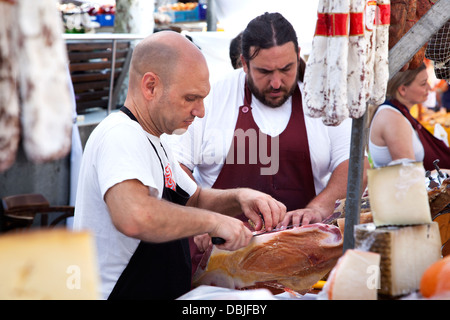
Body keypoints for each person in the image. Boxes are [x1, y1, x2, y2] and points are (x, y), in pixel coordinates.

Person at [73, 31, 287, 300]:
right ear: (150, 86)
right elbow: (134, 215)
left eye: (202, 98)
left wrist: (241, 198)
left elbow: (193, 199)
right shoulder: (120, 135)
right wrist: (214, 222)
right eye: (190, 98)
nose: (201, 111)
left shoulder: (154, 140)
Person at [164, 13, 368, 270]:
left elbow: (354, 165)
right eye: (264, 71)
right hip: (218, 267)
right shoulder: (214, 98)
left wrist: (318, 209)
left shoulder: (323, 100)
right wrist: (201, 220)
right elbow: (175, 169)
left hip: (303, 266)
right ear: (244, 64)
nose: (276, 82)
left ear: (298, 56)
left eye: (286, 69)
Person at [369, 62, 450, 171]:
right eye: (423, 83)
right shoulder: (393, 119)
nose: (429, 87)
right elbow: (408, 175)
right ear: (402, 90)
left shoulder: (397, 112)